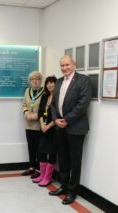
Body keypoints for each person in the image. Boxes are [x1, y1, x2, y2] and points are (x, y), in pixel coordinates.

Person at [49, 55, 91, 205]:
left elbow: (83, 104)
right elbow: (53, 104)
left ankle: (73, 191)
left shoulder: (83, 80)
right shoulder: (59, 81)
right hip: (60, 126)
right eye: (62, 66)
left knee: (74, 161)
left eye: (67, 65)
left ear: (74, 64)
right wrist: (55, 120)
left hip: (76, 128)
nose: (64, 68)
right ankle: (64, 186)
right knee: (63, 159)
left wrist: (67, 120)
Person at [32, 76, 57, 187]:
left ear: (56, 84)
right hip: (43, 127)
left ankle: (48, 177)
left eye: (52, 83)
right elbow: (41, 112)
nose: (49, 85)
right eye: (47, 83)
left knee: (51, 153)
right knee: (41, 151)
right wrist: (42, 124)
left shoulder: (58, 97)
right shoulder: (44, 96)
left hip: (53, 129)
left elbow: (59, 115)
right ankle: (42, 175)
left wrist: (49, 126)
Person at [22, 71, 44, 178]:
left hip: (39, 125)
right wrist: (26, 113)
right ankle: (32, 167)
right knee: (31, 147)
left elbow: (46, 108)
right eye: (32, 79)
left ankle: (39, 170)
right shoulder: (27, 90)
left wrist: (36, 116)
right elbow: (24, 104)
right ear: (30, 81)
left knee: (39, 148)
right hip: (28, 124)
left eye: (37, 79)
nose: (34, 81)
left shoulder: (44, 92)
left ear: (40, 80)